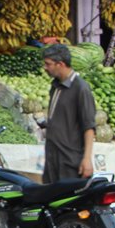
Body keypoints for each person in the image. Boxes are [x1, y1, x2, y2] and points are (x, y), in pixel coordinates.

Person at [41, 43, 97, 184]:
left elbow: (89, 127)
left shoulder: (81, 89)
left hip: (70, 161)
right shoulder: (55, 86)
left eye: (48, 64)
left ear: (60, 64)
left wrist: (86, 159)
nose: (45, 68)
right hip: (53, 159)